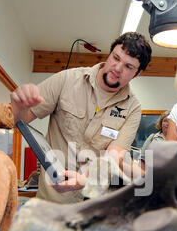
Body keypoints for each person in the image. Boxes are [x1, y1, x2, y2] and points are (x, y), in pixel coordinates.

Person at [11, 32, 152, 203]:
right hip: (52, 202)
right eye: (115, 58)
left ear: (137, 74)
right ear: (109, 55)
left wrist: (85, 179)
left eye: (128, 67)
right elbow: (19, 120)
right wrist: (18, 106)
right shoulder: (67, 80)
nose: (117, 68)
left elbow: (114, 156)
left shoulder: (132, 108)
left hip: (94, 205)